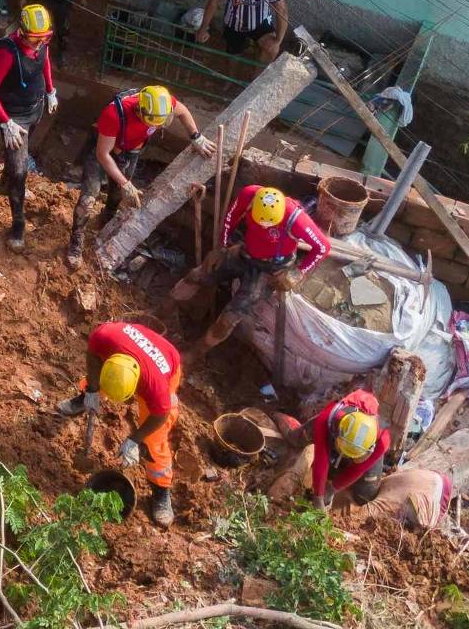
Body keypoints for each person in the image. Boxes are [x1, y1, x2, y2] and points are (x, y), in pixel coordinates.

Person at [56, 320, 183, 527]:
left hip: (167, 362)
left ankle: (161, 492)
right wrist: (92, 391)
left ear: (135, 387)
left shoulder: (155, 387)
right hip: (126, 352)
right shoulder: (104, 336)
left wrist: (135, 439)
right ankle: (83, 401)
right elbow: (93, 356)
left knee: (154, 440)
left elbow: (160, 415)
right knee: (96, 382)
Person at [69, 84, 211, 265]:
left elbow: (182, 111)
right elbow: (102, 155)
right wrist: (126, 183)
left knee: (116, 194)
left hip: (131, 152)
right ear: (140, 111)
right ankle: (76, 240)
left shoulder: (163, 103)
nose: (157, 126)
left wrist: (196, 136)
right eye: (153, 122)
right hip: (103, 150)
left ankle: (107, 218)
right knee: (88, 199)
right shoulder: (114, 114)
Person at [201, 184, 331, 347]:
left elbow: (323, 247)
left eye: (268, 224)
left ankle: (196, 352)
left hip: (272, 268)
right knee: (199, 275)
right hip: (246, 251)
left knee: (228, 320)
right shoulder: (249, 195)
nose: (263, 226)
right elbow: (231, 217)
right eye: (259, 220)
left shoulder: (296, 219)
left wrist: (297, 273)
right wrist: (222, 246)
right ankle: (167, 310)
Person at [0, 3, 59, 250]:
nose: (39, 43)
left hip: (35, 110)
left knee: (14, 164)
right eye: (35, 39)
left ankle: (4, 180)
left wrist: (50, 90)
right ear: (23, 32)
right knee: (20, 171)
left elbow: (45, 61)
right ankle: (18, 223)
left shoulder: (41, 45)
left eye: (44, 38)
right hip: (15, 119)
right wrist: (6, 122)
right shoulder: (7, 52)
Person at [269, 389, 390, 506]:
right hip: (332, 427)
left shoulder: (382, 441)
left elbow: (359, 469)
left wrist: (332, 488)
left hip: (358, 442)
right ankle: (276, 414)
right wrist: (318, 497)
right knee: (294, 439)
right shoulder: (327, 419)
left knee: (365, 494)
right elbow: (321, 460)